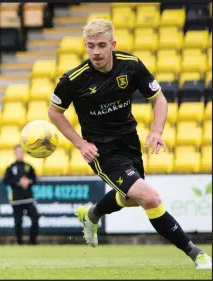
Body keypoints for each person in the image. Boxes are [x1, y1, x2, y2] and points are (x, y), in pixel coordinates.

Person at [48, 19, 211, 270]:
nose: (96, 52)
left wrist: (157, 132)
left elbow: (159, 99)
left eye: (102, 45)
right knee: (150, 197)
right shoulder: (73, 80)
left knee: (132, 199)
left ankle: (91, 215)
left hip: (129, 143)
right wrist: (80, 144)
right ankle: (197, 254)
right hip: (102, 151)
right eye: (90, 46)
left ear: (112, 44)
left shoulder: (131, 65)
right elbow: (54, 112)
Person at [2, 144, 39, 245]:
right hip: (16, 199)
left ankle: (33, 241)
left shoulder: (29, 167)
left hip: (28, 199)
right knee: (18, 221)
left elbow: (35, 180)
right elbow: (5, 181)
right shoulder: (10, 168)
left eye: (21, 152)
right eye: (18, 152)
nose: (20, 154)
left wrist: (28, 182)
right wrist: (18, 182)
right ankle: (19, 242)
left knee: (35, 218)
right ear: (14, 153)